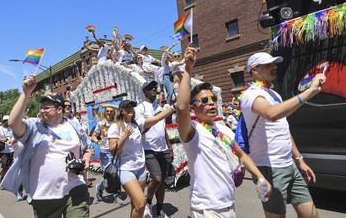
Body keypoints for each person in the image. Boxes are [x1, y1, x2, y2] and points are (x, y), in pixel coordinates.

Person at [176, 46, 272, 218]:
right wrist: (188, 70)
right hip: (206, 209)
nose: (211, 103)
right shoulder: (192, 132)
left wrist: (260, 177)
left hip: (229, 205)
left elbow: (241, 154)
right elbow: (181, 107)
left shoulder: (222, 128)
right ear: (194, 108)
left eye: (213, 99)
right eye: (204, 100)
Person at [240, 52, 326, 218]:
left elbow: (283, 128)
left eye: (275, 64)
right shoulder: (250, 95)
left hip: (289, 165)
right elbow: (272, 114)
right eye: (268, 65)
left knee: (311, 215)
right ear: (254, 69)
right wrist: (310, 92)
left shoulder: (274, 94)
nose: (274, 67)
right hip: (266, 169)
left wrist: (299, 160)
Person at [2, 74, 92, 217]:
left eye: (46, 107)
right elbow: (13, 123)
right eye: (41, 107)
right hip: (45, 195)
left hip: (75, 188)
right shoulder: (34, 127)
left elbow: (88, 147)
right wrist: (25, 93)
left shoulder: (74, 126)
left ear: (59, 109)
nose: (41, 110)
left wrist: (86, 158)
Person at [108, 99, 175, 218]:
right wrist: (124, 136)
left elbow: (157, 119)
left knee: (135, 205)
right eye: (127, 107)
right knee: (141, 203)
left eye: (132, 107)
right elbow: (113, 151)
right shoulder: (115, 127)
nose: (131, 110)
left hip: (140, 169)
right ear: (121, 111)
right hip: (126, 170)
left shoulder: (137, 124)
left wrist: (173, 107)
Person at [135, 80, 173, 218]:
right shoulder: (140, 108)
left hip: (163, 149)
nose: (153, 89)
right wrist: (155, 118)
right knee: (157, 179)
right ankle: (148, 202)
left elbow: (163, 129)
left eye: (155, 87)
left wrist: (169, 147)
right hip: (148, 149)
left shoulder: (161, 106)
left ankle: (160, 210)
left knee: (162, 183)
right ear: (145, 91)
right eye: (150, 88)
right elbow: (139, 130)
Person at [91, 104, 124, 205]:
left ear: (114, 112)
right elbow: (93, 136)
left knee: (115, 174)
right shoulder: (101, 124)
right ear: (105, 113)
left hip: (115, 151)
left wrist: (106, 105)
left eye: (111, 111)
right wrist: (98, 141)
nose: (109, 113)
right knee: (108, 175)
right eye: (107, 111)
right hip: (105, 152)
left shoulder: (117, 123)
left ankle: (116, 195)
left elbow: (120, 108)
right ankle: (100, 188)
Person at [0, 115, 15, 183]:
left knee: (13, 166)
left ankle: (11, 180)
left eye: (9, 121)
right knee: (5, 167)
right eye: (6, 121)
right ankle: (2, 178)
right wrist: (1, 139)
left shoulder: (12, 128)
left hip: (13, 150)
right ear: (3, 121)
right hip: (4, 151)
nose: (8, 122)